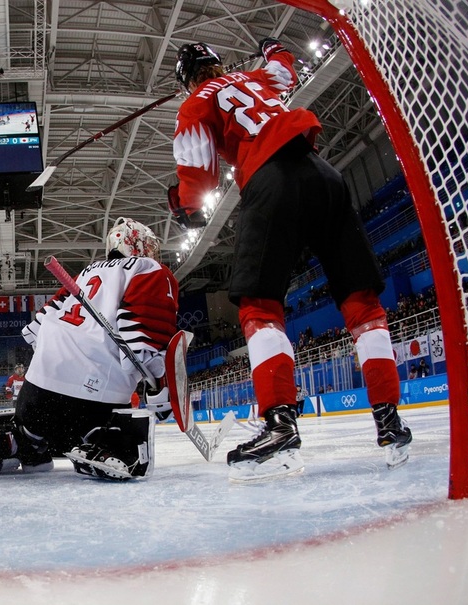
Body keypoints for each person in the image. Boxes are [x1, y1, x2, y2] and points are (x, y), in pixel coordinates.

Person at [169, 40, 412, 480]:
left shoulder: (194, 104)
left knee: (259, 306)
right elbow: (285, 68)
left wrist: (185, 206)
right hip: (324, 175)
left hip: (271, 179)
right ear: (216, 64)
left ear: (188, 78)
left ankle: (280, 426)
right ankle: (390, 420)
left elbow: (197, 171)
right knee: (361, 302)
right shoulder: (257, 78)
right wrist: (274, 47)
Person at [0, 218, 179, 480]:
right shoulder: (150, 269)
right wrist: (159, 385)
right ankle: (101, 442)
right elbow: (144, 337)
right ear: (135, 243)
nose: (153, 251)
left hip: (36, 393)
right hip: (95, 401)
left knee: (32, 430)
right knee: (107, 431)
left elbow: (38, 326)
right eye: (149, 244)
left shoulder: (85, 274)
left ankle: (27, 443)